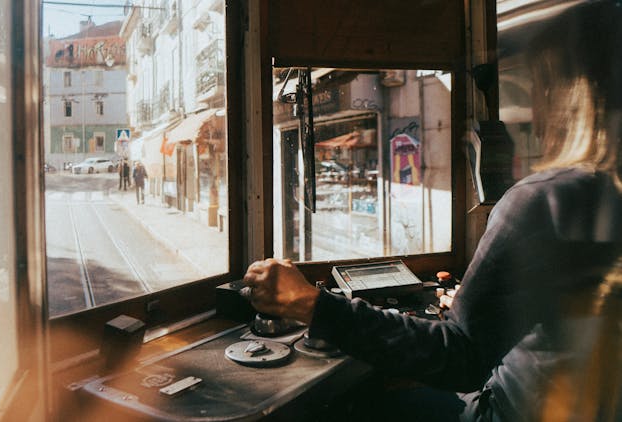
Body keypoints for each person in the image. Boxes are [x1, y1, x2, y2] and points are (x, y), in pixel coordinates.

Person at [243, 2, 622, 421]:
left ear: (563, 91)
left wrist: (309, 304)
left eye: (538, 79)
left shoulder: (543, 201)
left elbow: (458, 355)